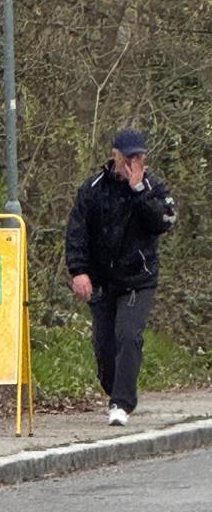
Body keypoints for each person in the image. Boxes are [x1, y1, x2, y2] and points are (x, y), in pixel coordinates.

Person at [65, 126, 177, 427]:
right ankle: (115, 390)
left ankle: (122, 403)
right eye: (129, 157)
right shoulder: (93, 189)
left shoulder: (153, 187)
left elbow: (162, 222)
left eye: (139, 157)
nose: (134, 163)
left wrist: (139, 191)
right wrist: (79, 271)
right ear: (115, 157)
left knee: (128, 335)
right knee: (104, 346)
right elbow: (77, 233)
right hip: (103, 279)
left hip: (138, 279)